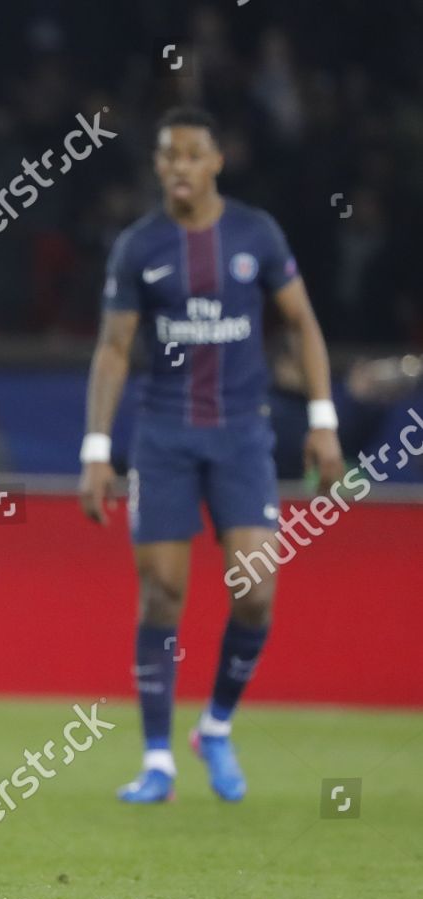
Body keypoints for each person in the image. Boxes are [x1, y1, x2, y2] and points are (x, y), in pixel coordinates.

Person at [77, 107, 345, 804]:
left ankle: (217, 725)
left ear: (217, 160)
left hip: (240, 434)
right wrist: (97, 448)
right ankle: (158, 757)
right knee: (163, 594)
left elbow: (303, 324)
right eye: (169, 156)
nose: (180, 168)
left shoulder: (255, 233)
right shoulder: (139, 246)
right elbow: (112, 349)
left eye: (193, 155)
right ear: (158, 165)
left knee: (254, 592)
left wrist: (323, 422)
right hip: (163, 434)